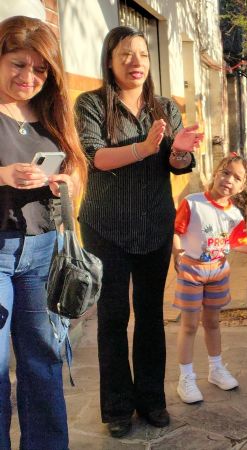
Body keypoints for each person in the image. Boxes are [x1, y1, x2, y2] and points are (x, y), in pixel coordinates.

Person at [75, 26, 203, 438]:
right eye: (126, 54)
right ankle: (116, 407)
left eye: (143, 55)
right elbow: (95, 158)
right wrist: (145, 148)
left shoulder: (164, 106)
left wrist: (181, 148)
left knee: (150, 315)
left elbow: (178, 166)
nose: (136, 62)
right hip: (105, 227)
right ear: (110, 60)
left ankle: (151, 401)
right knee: (112, 317)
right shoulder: (91, 104)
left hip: (153, 225)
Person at [0, 15, 88, 450]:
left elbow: (75, 173)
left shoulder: (52, 112)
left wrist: (66, 183)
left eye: (39, 69)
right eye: (18, 64)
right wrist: (2, 175)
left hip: (43, 252)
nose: (28, 77)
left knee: (43, 365)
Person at [173, 153, 247, 404]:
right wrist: (178, 255)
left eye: (237, 178)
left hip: (218, 272)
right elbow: (176, 231)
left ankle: (215, 369)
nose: (229, 180)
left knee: (213, 323)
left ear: (242, 186)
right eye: (225, 173)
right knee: (189, 326)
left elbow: (237, 242)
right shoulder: (193, 202)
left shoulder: (235, 215)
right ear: (215, 174)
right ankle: (185, 377)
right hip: (192, 271)